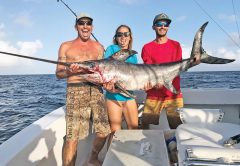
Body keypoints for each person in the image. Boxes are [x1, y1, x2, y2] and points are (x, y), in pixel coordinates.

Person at [55, 13, 111, 166]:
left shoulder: (99, 47)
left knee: (104, 131)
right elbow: (59, 73)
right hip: (75, 90)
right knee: (72, 137)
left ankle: (92, 158)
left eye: (88, 23)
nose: (85, 26)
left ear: (92, 27)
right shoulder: (66, 46)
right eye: (81, 23)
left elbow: (104, 72)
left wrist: (107, 83)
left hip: (97, 91)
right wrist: (70, 71)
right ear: (76, 26)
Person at [141, 13, 184, 129]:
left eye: (166, 24)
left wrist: (194, 61)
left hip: (173, 94)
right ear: (153, 27)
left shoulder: (176, 45)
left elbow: (178, 69)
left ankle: (175, 147)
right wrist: (155, 83)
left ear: (169, 26)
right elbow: (150, 71)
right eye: (159, 24)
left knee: (179, 129)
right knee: (146, 127)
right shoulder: (146, 47)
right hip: (153, 94)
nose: (163, 27)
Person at [104, 25, 139, 147]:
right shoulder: (111, 49)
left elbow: (134, 78)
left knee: (134, 130)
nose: (123, 37)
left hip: (129, 96)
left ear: (130, 37)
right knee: (115, 133)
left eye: (126, 34)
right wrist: (106, 86)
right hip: (113, 97)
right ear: (116, 37)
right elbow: (105, 70)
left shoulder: (133, 56)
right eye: (119, 34)